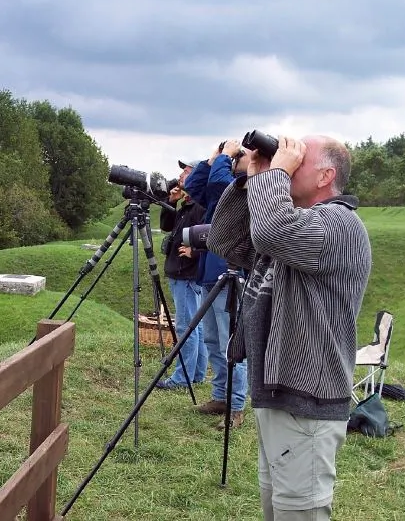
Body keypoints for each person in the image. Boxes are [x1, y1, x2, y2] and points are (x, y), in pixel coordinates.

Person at [207, 135, 372, 520]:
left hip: (307, 401)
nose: (288, 157)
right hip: (278, 394)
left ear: (325, 176)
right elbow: (224, 239)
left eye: (300, 156)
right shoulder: (295, 226)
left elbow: (271, 231)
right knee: (278, 508)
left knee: (299, 512)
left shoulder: (340, 226)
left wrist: (277, 174)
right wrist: (253, 179)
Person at [184, 139, 250, 429]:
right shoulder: (222, 190)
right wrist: (213, 158)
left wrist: (225, 156)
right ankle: (221, 397)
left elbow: (220, 183)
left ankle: (236, 406)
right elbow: (194, 186)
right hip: (211, 273)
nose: (237, 156)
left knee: (230, 344)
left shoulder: (247, 187)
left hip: (231, 275)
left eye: (243, 154)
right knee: (213, 341)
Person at [155, 159, 208, 390]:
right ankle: (196, 373)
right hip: (180, 272)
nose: (180, 176)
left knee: (186, 327)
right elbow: (167, 227)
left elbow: (213, 235)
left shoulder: (201, 205)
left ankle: (182, 378)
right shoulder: (186, 204)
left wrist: (194, 252)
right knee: (196, 326)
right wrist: (171, 202)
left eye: (186, 171)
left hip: (186, 274)